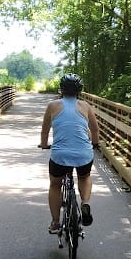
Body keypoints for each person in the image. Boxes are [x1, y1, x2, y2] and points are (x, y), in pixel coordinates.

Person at [39, 73, 100, 234]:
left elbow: (45, 130)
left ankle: (55, 222)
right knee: (84, 176)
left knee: (55, 184)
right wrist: (95, 144)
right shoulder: (85, 106)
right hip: (83, 154)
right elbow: (94, 129)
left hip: (60, 155)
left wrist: (44, 145)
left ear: (62, 89)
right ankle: (85, 202)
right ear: (79, 90)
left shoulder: (53, 106)